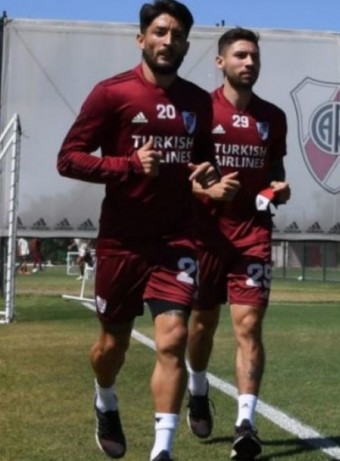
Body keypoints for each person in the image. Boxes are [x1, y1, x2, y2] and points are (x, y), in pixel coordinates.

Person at [56, 1, 219, 460]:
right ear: (141, 38)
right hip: (122, 243)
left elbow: (203, 159)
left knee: (173, 338)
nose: (169, 41)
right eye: (160, 32)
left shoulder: (198, 101)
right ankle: (105, 397)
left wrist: (207, 175)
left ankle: (162, 450)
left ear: (187, 43)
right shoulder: (111, 94)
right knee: (112, 346)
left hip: (178, 239)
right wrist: (127, 165)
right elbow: (69, 158)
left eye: (178, 35)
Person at [184, 27, 289, 461]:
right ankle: (197, 385)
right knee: (202, 326)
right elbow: (182, 177)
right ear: (220, 62)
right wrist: (206, 192)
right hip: (204, 236)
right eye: (241, 56)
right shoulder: (198, 111)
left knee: (248, 327)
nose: (249, 63)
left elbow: (276, 177)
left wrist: (277, 192)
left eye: (254, 57)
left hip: (252, 235)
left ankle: (246, 423)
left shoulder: (274, 117)